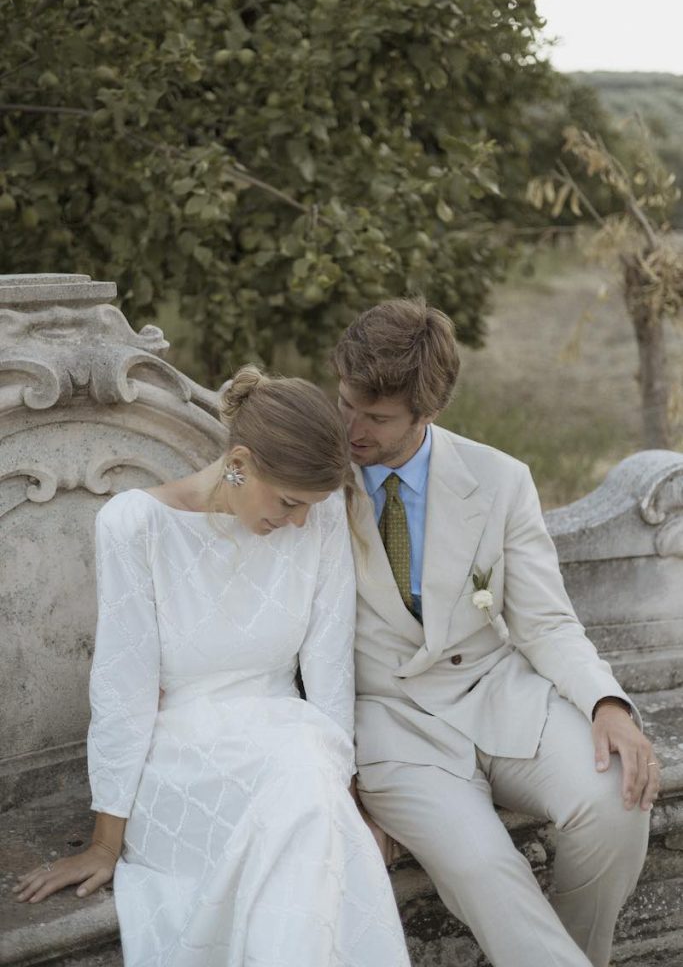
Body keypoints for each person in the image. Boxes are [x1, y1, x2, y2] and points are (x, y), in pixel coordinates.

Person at [14, 366, 410, 967]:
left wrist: (348, 796)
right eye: (288, 502)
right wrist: (103, 843)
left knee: (312, 791)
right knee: (308, 803)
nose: (298, 521)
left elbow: (330, 671)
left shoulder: (322, 518)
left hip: (289, 738)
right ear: (240, 463)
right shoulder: (136, 525)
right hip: (182, 759)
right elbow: (123, 689)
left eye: (309, 507)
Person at [331, 298, 659, 967]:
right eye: (345, 404)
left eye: (375, 417)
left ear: (427, 412)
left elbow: (544, 623)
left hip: (499, 693)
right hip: (390, 722)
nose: (351, 428)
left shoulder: (500, 480)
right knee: (484, 864)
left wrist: (606, 704)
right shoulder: (313, 477)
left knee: (617, 804)